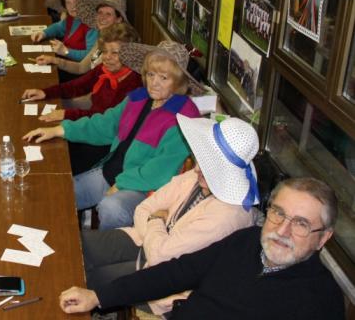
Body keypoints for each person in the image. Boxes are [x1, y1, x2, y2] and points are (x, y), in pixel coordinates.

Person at [60, 177, 345, 320]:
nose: (282, 230)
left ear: (323, 238)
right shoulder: (246, 240)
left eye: (301, 224)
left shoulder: (320, 300)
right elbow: (176, 272)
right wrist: (98, 296)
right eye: (278, 213)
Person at [82, 115, 260, 316]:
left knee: (92, 280)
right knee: (80, 246)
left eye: (210, 165)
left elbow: (161, 258)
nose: (197, 168)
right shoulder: (198, 177)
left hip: (169, 286)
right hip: (145, 242)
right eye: (203, 158)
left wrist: (157, 221)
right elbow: (144, 208)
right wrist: (155, 232)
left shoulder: (227, 217)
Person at [23, 41, 202, 230]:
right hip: (110, 173)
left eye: (164, 78)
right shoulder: (139, 97)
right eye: (151, 74)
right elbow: (105, 124)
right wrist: (61, 130)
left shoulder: (184, 117)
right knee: (60, 195)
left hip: (143, 188)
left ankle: (99, 251)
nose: (154, 83)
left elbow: (159, 171)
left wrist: (120, 184)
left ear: (179, 81)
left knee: (111, 207)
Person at [23, 23, 142, 175]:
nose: (107, 57)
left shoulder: (134, 85)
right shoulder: (104, 69)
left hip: (106, 143)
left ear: (130, 54)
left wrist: (68, 114)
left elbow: (105, 119)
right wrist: (45, 92)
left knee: (58, 162)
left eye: (115, 53)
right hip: (88, 127)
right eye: (104, 51)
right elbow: (76, 86)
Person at [32, 0, 93, 64]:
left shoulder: (92, 25)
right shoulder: (72, 18)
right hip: (64, 62)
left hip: (76, 69)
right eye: (68, 3)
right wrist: (43, 33)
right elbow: (58, 27)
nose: (72, 6)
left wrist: (66, 51)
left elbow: (91, 56)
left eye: (76, 2)